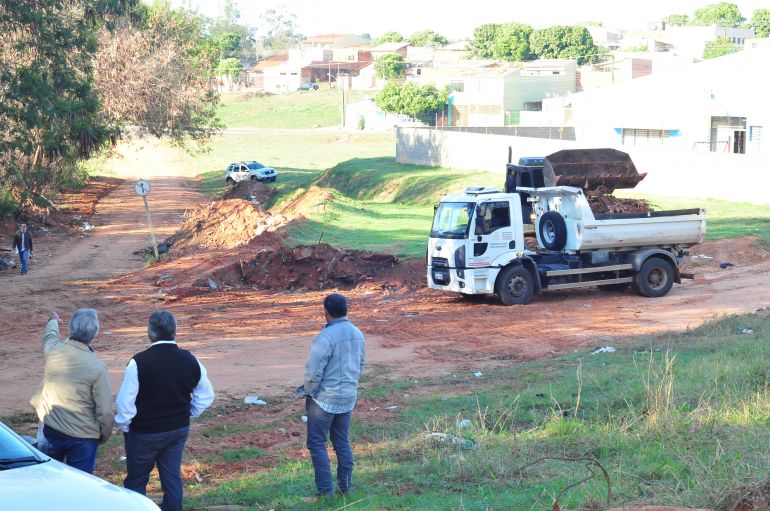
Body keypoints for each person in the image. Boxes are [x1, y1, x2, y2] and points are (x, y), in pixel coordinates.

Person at [116, 310, 214, 511]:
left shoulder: (138, 362)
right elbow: (206, 395)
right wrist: (188, 413)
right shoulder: (190, 359)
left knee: (136, 480)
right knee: (171, 478)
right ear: (174, 332)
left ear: (149, 333)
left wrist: (126, 426)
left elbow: (125, 404)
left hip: (144, 433)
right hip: (177, 430)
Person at [30, 309, 114, 473]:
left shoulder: (53, 350)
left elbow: (50, 336)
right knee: (81, 487)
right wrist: (103, 435)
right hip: (83, 438)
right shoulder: (98, 368)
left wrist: (53, 321)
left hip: (52, 430)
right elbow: (104, 410)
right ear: (94, 334)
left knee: (49, 480)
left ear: (70, 329)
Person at [302, 293, 366, 500]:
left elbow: (313, 371)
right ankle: (345, 488)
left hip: (325, 399)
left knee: (317, 443)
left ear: (326, 312)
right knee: (342, 443)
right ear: (346, 310)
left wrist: (310, 391)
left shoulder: (325, 336)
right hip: (348, 396)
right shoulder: (357, 333)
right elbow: (360, 364)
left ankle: (325, 493)